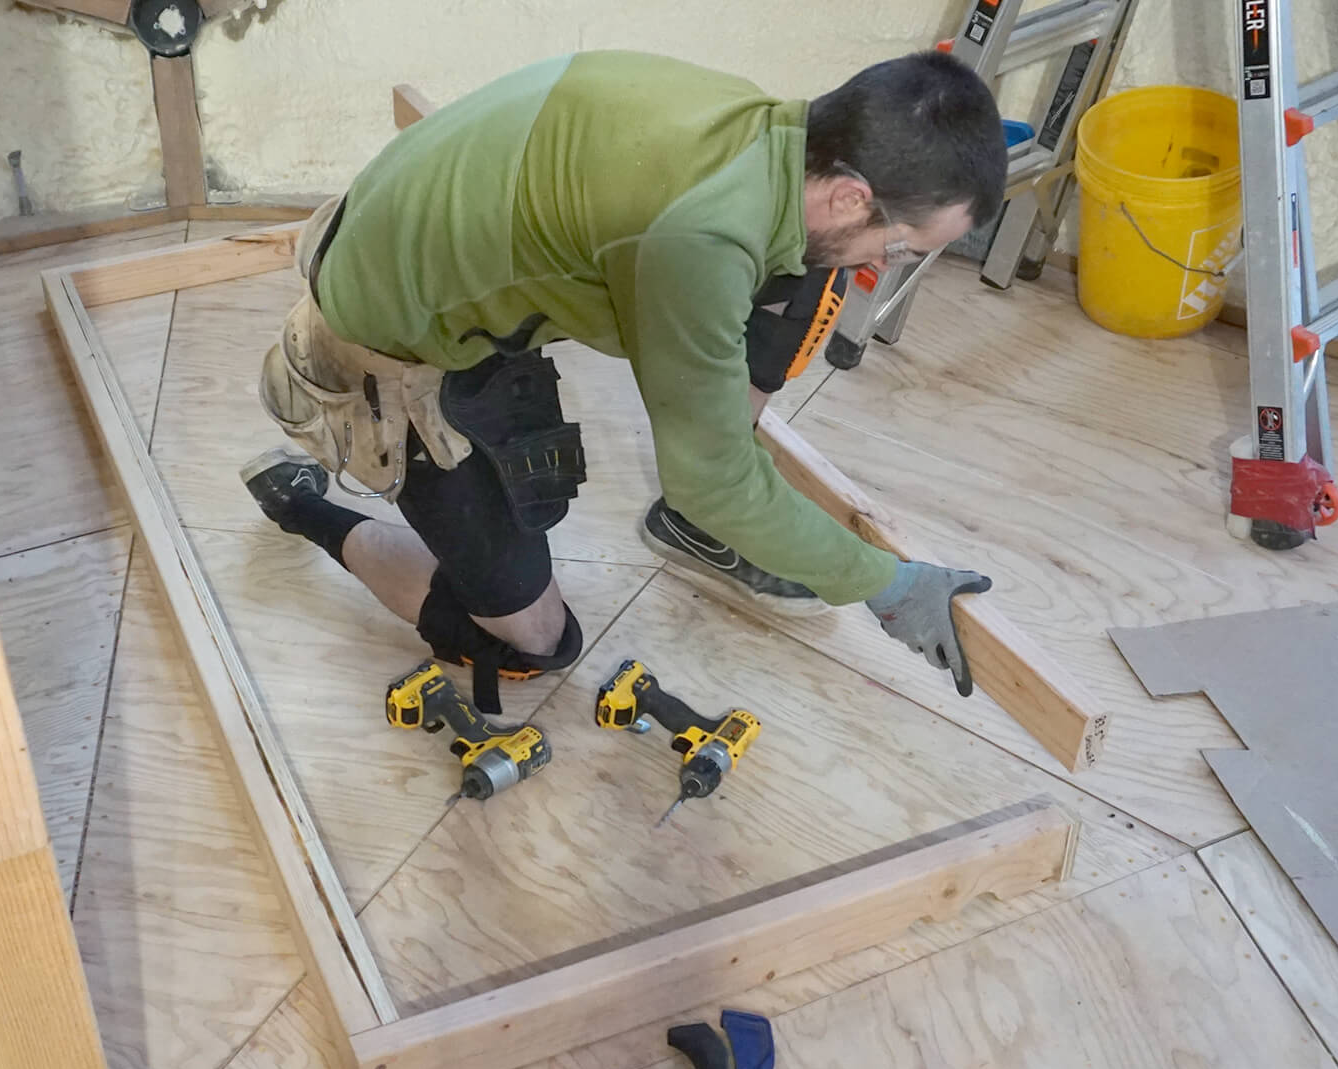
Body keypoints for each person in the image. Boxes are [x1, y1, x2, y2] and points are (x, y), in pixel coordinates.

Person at [246, 48, 1006, 712]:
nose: (892, 266)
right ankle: (304, 508)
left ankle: (707, 525)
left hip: (447, 258)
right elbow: (711, 478)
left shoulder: (773, 136)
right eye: (904, 249)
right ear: (850, 195)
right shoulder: (699, 237)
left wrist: (724, 475)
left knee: (811, 269)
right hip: (386, 344)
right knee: (535, 642)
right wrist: (884, 584)